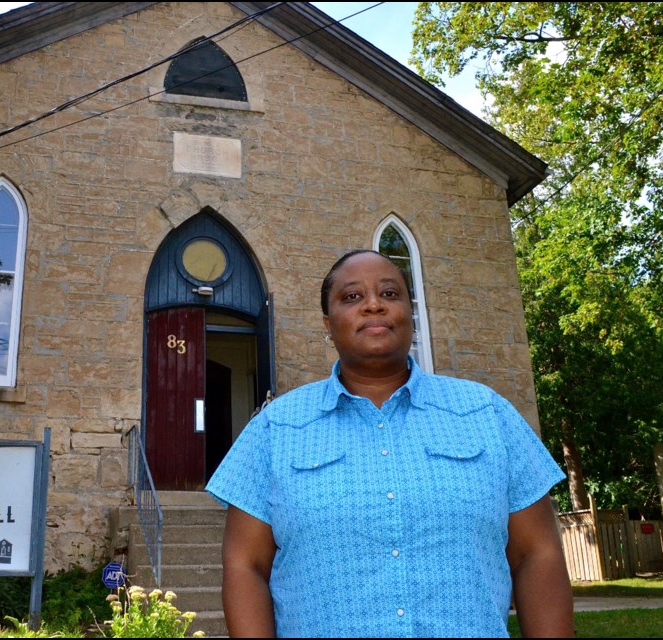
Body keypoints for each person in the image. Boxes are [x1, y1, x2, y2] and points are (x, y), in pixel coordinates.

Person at [206, 249, 574, 638]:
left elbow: (537, 555)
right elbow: (245, 566)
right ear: (327, 325)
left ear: (410, 315)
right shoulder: (275, 429)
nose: (373, 306)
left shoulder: (487, 414)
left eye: (390, 294)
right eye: (352, 297)